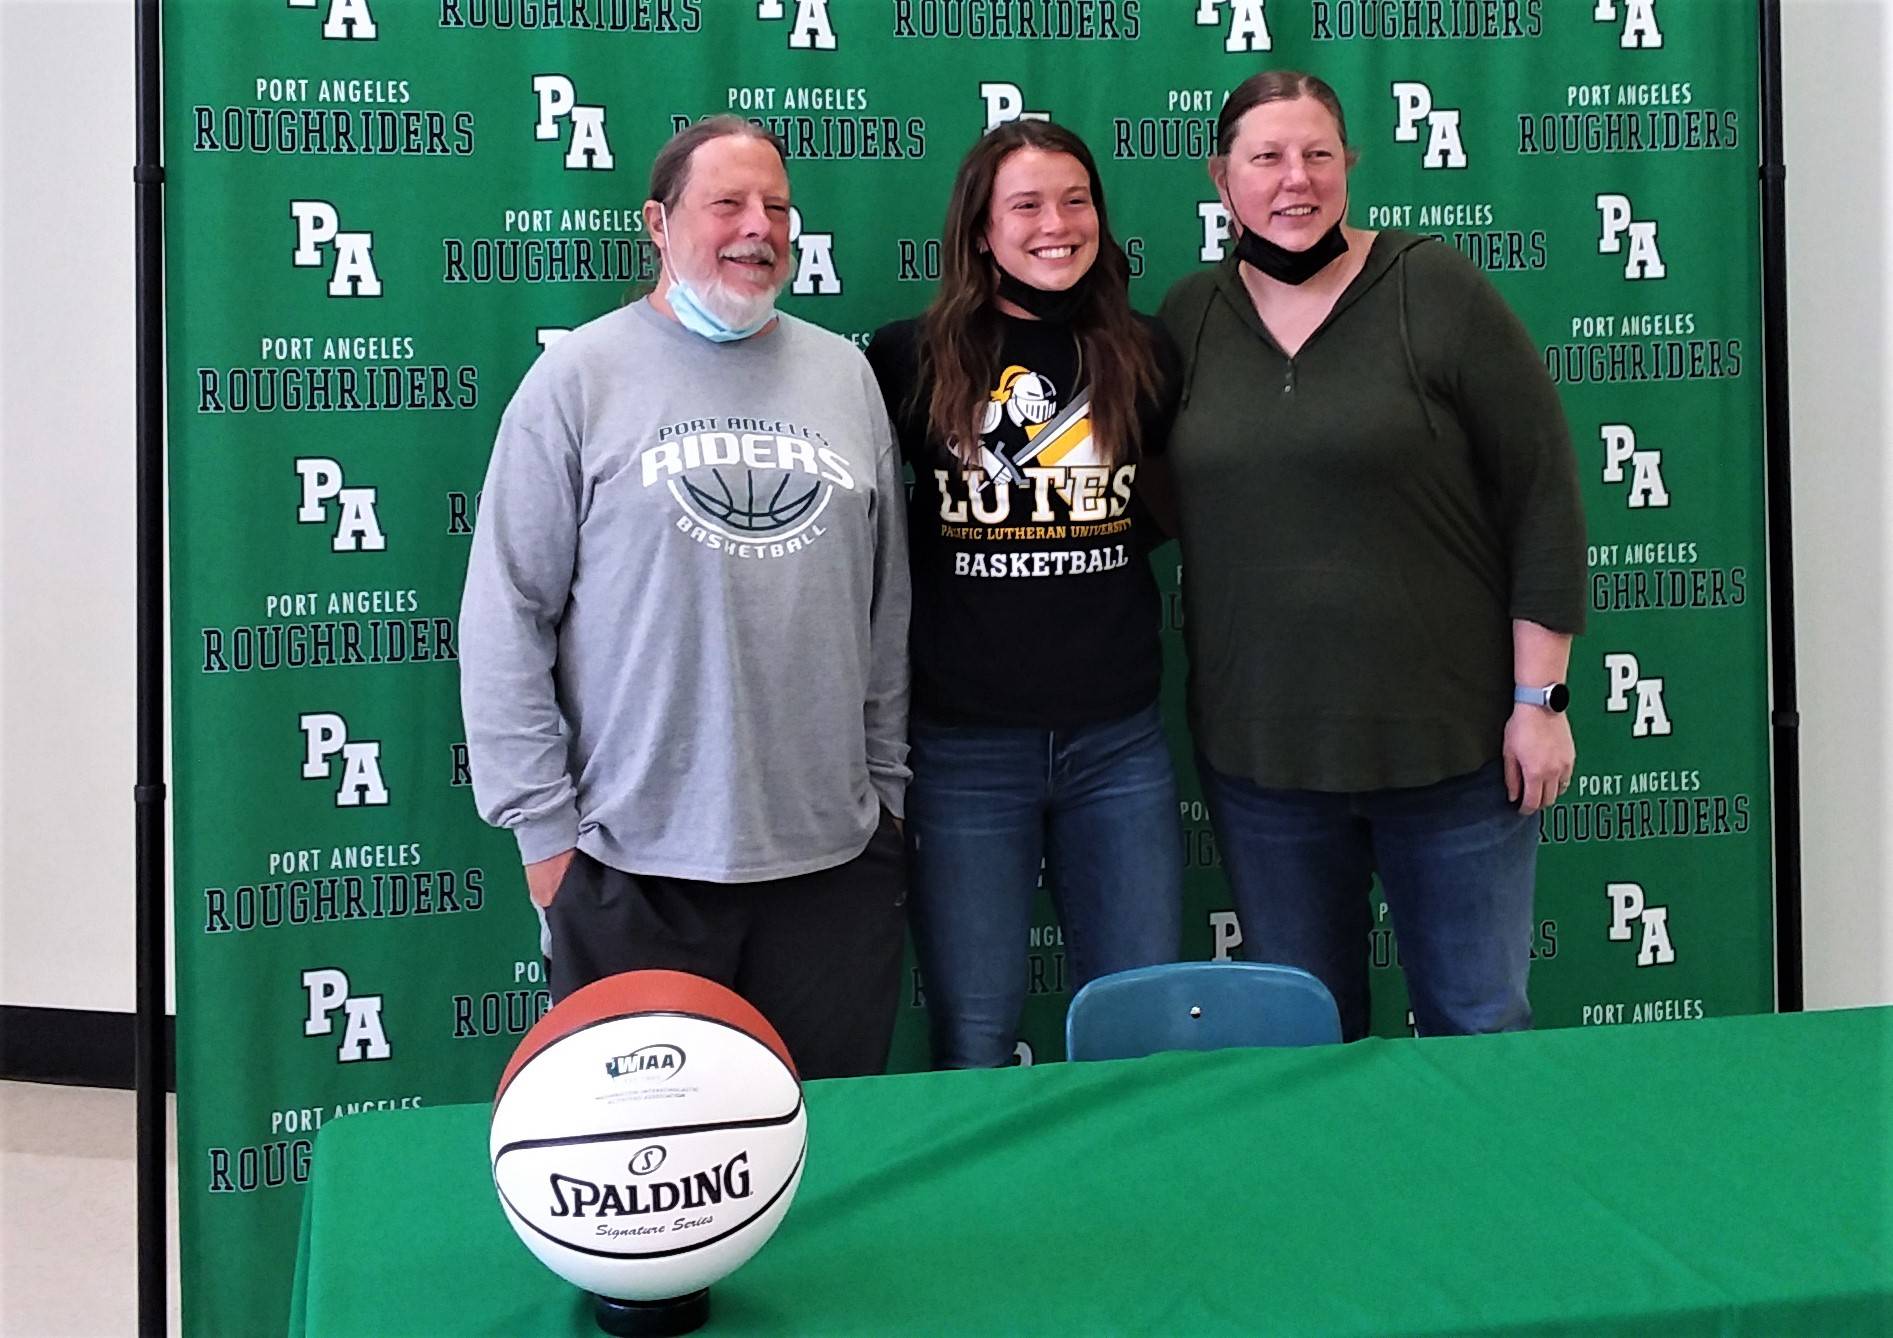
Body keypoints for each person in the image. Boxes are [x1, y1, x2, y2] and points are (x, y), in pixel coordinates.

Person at [459, 116, 912, 1080]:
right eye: (729, 204)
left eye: (777, 207)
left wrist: (886, 795)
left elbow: (886, 611)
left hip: (832, 861)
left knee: (827, 1153)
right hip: (632, 867)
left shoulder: (844, 375)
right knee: (651, 1175)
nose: (759, 226)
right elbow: (506, 613)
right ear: (658, 224)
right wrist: (546, 839)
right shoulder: (575, 378)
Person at [1158, 71, 1586, 1042]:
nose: (1294, 179)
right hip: (1266, 763)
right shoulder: (1189, 317)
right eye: (1266, 157)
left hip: (1460, 758)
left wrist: (1541, 702)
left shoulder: (1435, 287)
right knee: (1310, 1042)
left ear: (1349, 165)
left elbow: (1544, 496)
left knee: (1480, 1020)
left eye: (1317, 154)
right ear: (1223, 178)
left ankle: (1487, 1201)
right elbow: (1129, 501)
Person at [866, 120, 1183, 1069]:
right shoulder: (906, 357)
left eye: (1076, 200)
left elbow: (1163, 508)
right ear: (979, 230)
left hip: (1119, 741)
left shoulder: (1147, 351)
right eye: (1027, 205)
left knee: (1136, 1018)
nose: (1057, 224)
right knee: (974, 1028)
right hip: (963, 749)